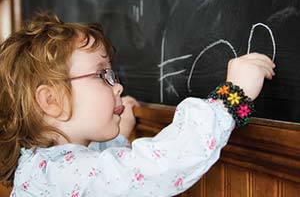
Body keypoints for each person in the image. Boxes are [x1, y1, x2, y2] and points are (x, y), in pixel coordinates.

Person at [0, 13, 275, 197]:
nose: (117, 85)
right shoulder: (66, 175)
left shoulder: (41, 164)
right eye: (102, 75)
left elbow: (107, 177)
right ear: (51, 101)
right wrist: (230, 99)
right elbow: (160, 165)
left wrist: (118, 138)